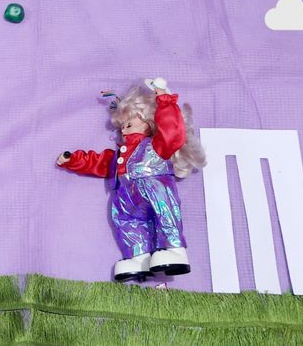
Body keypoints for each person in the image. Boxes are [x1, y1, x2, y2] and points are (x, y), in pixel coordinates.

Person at [57, 78, 206, 282]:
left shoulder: (156, 145)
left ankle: (175, 250)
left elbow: (172, 132)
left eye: (129, 124)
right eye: (122, 127)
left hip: (154, 185)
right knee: (128, 222)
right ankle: (139, 257)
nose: (124, 130)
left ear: (148, 121)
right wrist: (73, 160)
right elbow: (99, 162)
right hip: (125, 194)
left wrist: (164, 99)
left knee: (165, 213)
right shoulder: (119, 154)